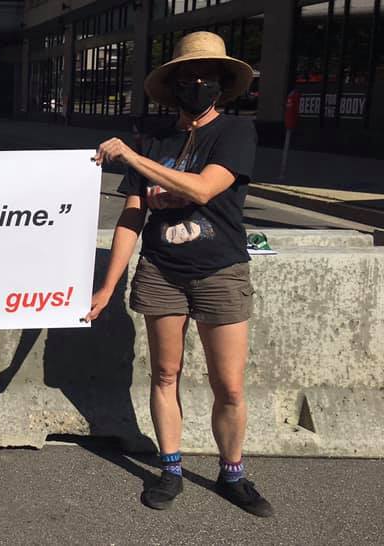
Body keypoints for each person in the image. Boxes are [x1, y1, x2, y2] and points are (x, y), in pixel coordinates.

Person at [86, 32, 273, 517]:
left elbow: (205, 189)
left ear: (222, 85)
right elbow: (131, 217)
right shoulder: (156, 138)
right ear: (172, 85)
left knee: (228, 385)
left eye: (206, 77)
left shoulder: (233, 133)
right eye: (187, 77)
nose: (196, 84)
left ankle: (233, 472)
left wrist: (132, 157)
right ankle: (170, 468)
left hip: (220, 271)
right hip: (161, 271)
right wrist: (107, 285)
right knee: (165, 373)